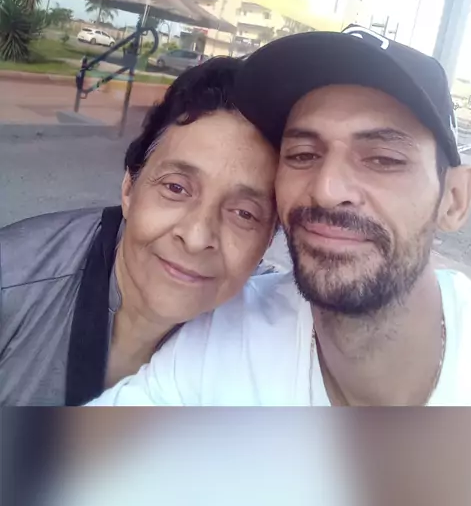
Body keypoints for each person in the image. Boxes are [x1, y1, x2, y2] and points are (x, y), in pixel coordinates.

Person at [90, 26, 471, 407]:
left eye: (383, 159)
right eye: (303, 155)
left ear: (455, 200)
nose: (326, 189)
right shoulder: (222, 340)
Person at [0, 57, 277, 406]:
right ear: (130, 188)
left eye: (244, 213)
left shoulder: (270, 344)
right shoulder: (13, 282)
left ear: (268, 241)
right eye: (176, 188)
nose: (196, 238)